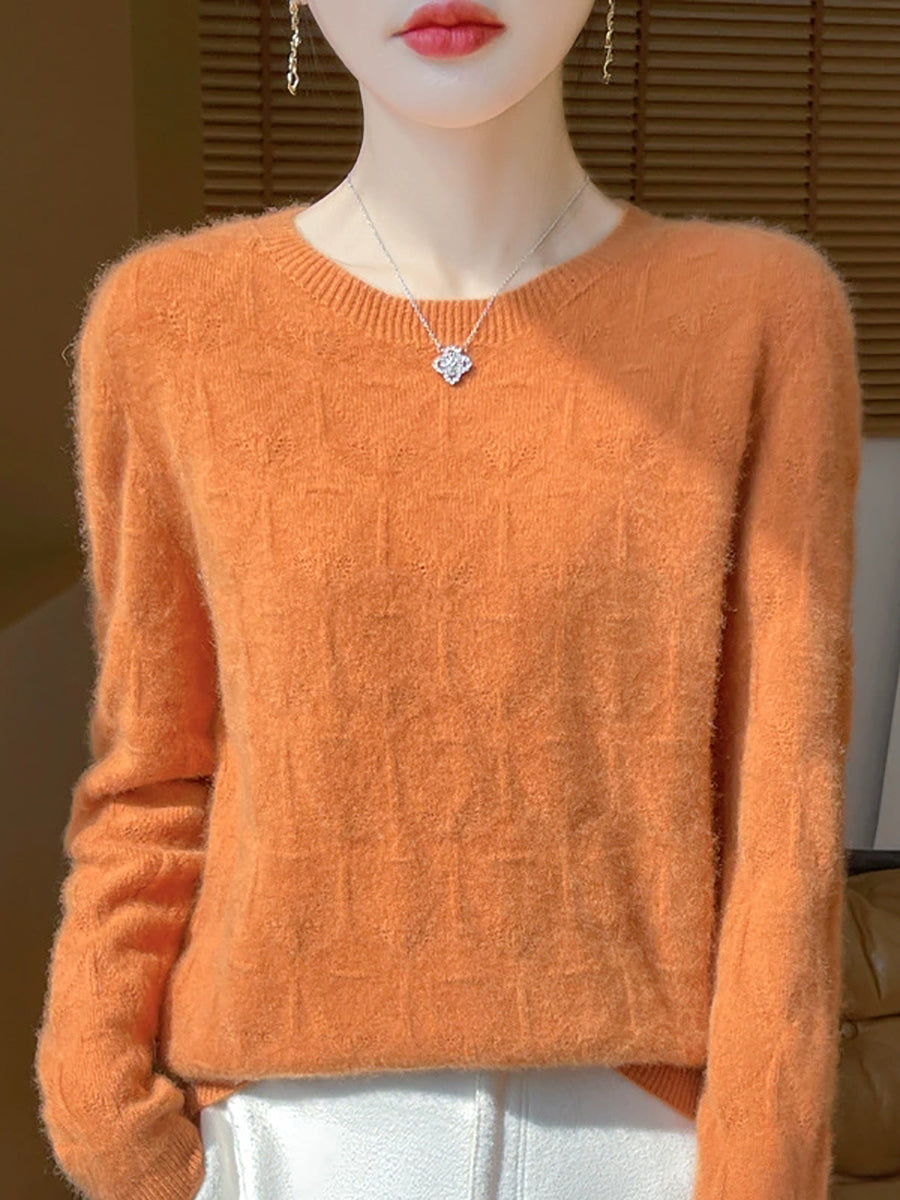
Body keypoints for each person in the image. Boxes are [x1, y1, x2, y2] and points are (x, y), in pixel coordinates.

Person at [34, 0, 862, 1198]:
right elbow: (154, 767)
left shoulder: (758, 312)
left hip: (646, 1147)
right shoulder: (168, 325)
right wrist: (108, 1117)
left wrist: (763, 1173)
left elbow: (782, 805)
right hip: (275, 1146)